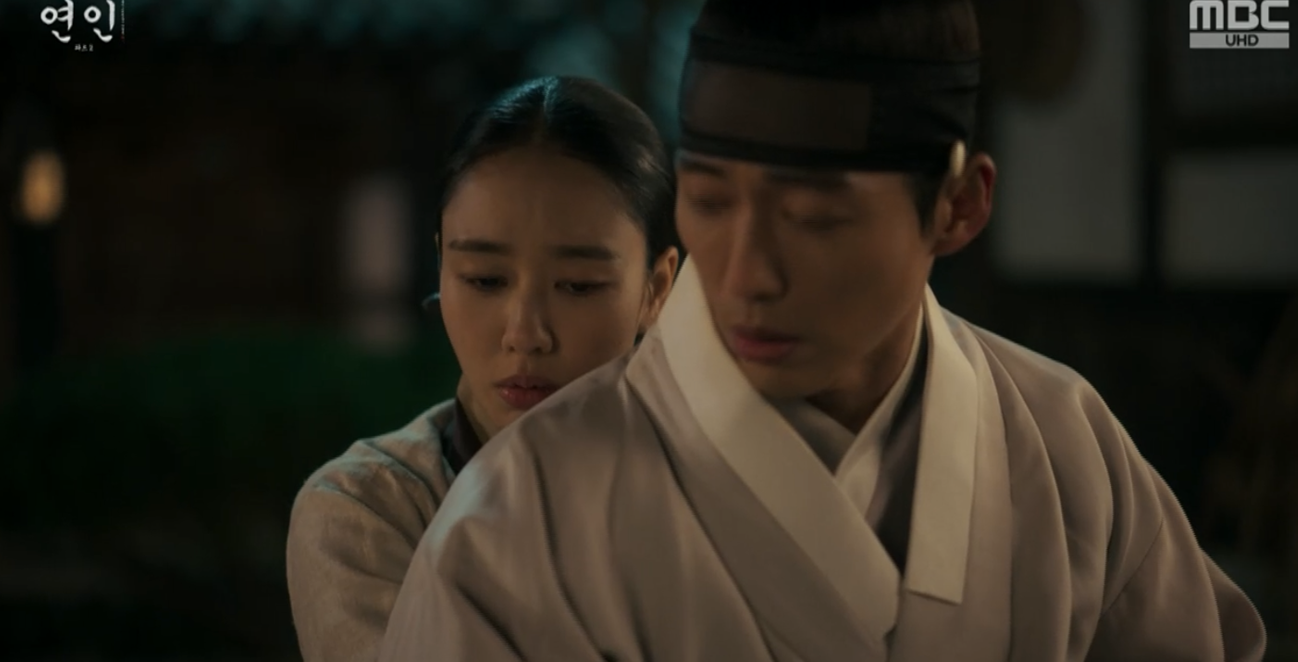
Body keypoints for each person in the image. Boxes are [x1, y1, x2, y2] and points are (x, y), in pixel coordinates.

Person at [378, 1, 1268, 661]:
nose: (745, 274)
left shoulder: (1065, 444)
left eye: (814, 218)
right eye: (710, 201)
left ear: (958, 205)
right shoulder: (516, 519)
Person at [285, 76, 679, 662]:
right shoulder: (370, 510)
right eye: (485, 280)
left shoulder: (717, 492)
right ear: (443, 267)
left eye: (578, 285)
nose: (525, 334)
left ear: (657, 288)